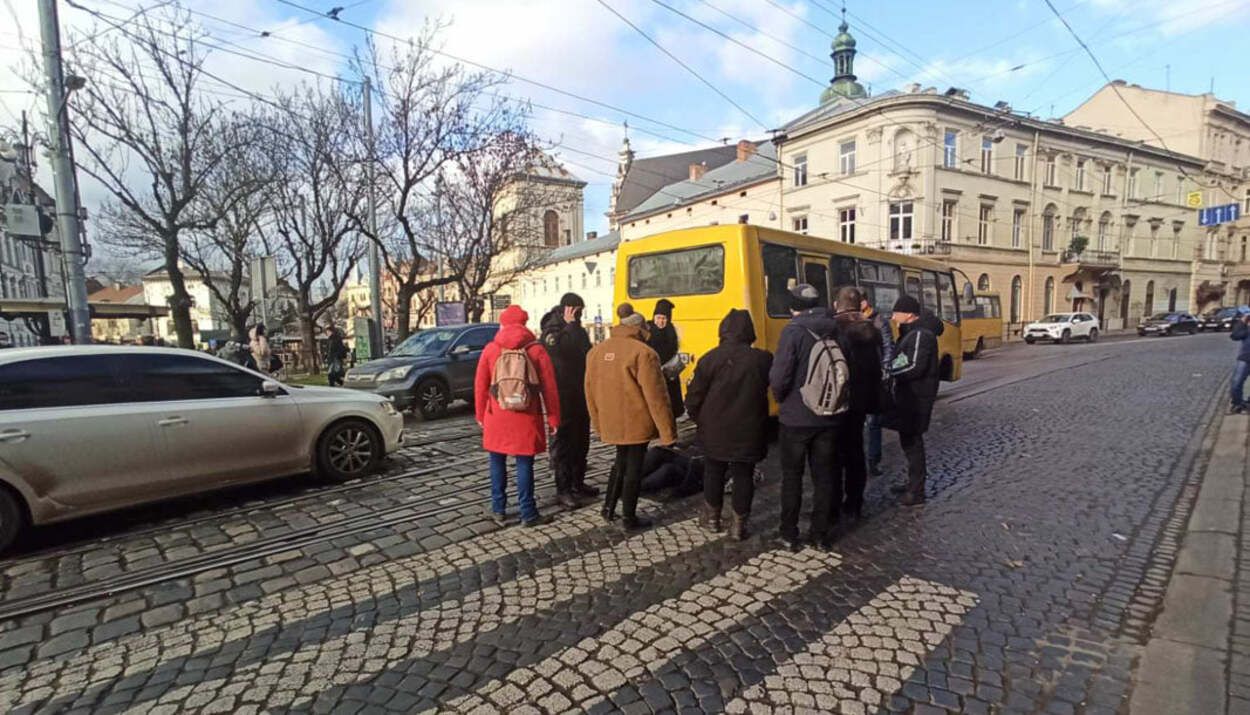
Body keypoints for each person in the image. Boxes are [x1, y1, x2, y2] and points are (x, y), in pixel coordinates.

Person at [585, 304, 678, 530]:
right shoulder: (644, 353)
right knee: (634, 468)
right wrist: (668, 433)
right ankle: (628, 516)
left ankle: (608, 508)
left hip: (610, 418)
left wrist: (597, 421)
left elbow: (589, 390)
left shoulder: (596, 351)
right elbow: (656, 397)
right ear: (640, 329)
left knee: (620, 462)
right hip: (637, 421)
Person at [685, 308, 772, 540]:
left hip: (714, 427)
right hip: (749, 428)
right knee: (744, 474)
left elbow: (693, 397)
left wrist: (700, 419)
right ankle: (738, 525)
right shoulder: (762, 359)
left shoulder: (709, 358)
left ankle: (712, 519)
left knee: (713, 471)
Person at [768, 284, 842, 551]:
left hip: (796, 418)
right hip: (829, 416)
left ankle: (789, 534)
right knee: (824, 477)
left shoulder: (793, 331)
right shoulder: (835, 327)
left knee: (792, 477)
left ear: (792, 307)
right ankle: (820, 535)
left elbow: (779, 377)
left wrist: (781, 399)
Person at [474, 305, 562, 527]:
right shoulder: (536, 349)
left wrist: (480, 414)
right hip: (526, 415)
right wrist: (553, 418)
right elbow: (550, 388)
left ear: (503, 323)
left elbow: (480, 385)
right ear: (524, 323)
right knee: (525, 463)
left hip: (496, 415)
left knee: (497, 461)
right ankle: (528, 512)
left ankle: (498, 509)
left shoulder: (491, 349)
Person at [540, 292, 597, 509]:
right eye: (578, 311)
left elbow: (586, 351)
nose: (580, 315)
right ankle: (563, 488)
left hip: (579, 392)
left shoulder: (576, 328)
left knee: (581, 441)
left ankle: (578, 482)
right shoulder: (552, 331)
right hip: (561, 395)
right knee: (563, 445)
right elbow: (564, 350)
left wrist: (575, 327)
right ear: (568, 309)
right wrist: (572, 326)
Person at [831, 287, 883, 523]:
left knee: (835, 453)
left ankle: (833, 503)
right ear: (860, 304)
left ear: (837, 305)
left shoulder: (836, 328)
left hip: (841, 398)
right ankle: (855, 502)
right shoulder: (872, 328)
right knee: (855, 452)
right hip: (863, 399)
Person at [884, 295, 941, 506]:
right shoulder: (911, 334)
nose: (893, 316)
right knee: (908, 442)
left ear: (909, 314)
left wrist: (890, 372)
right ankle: (912, 484)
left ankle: (917, 491)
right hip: (909, 396)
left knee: (913, 444)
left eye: (896, 312)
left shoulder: (920, 335)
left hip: (916, 398)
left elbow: (914, 366)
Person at [863, 296, 895, 477]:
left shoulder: (878, 321)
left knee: (874, 422)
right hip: (859, 379)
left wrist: (884, 370)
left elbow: (888, 347)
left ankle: (873, 460)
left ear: (866, 302)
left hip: (875, 377)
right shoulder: (851, 320)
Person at [647, 299, 685, 421]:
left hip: (669, 372)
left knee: (670, 398)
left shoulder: (671, 330)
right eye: (658, 318)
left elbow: (674, 348)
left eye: (664, 318)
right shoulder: (648, 329)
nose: (660, 321)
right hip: (652, 370)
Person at [639, 441, 704, 497]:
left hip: (698, 471)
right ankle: (631, 479)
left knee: (668, 469)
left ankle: (633, 487)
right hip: (691, 457)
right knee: (656, 452)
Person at [1231, 314, 1250, 414]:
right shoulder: (1247, 327)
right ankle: (1237, 403)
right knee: (1236, 383)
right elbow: (1235, 336)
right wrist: (1242, 322)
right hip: (1245, 357)